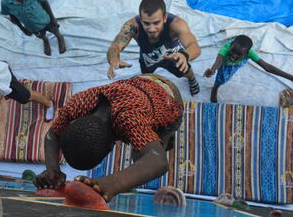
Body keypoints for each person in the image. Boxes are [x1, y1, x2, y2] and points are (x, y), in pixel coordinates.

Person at [33, 74, 184, 206]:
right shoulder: (77, 104)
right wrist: (52, 169)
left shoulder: (130, 118)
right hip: (140, 83)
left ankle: (163, 142)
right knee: (142, 149)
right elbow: (52, 135)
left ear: (111, 147)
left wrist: (109, 185)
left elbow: (158, 161)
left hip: (168, 98)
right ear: (73, 123)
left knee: (142, 156)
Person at [107, 0, 201, 96]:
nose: (151, 29)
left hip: (172, 55)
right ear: (141, 18)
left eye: (156, 23)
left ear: (165, 18)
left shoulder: (176, 24)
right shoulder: (132, 26)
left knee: (185, 70)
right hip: (148, 58)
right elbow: (115, 46)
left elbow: (194, 46)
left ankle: (192, 79)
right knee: (147, 78)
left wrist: (185, 55)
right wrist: (114, 59)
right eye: (146, 23)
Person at [204, 35, 293, 103]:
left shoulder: (249, 53)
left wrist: (292, 78)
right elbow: (219, 60)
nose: (234, 55)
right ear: (231, 45)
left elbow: (267, 67)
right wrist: (213, 70)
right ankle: (215, 88)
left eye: (239, 54)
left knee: (234, 66)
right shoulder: (225, 49)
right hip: (226, 63)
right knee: (221, 77)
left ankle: (236, 64)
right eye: (233, 50)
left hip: (239, 62)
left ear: (247, 53)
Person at [1, 0, 66, 56]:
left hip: (46, 20)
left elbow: (44, 2)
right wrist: (22, 28)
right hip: (32, 27)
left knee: (55, 30)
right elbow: (12, 16)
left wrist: (53, 18)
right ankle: (45, 41)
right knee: (41, 35)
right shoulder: (5, 2)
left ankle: (60, 38)